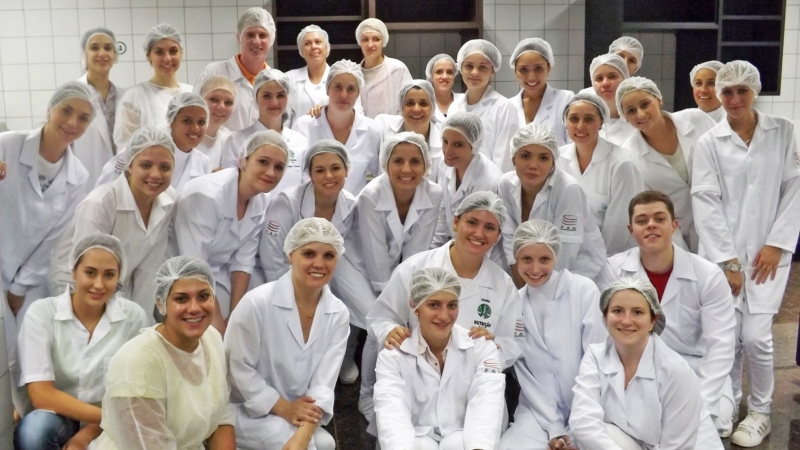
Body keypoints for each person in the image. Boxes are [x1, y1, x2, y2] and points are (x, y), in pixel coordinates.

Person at [692, 60, 800, 447]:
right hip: (724, 258)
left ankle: (760, 412)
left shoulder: (783, 131)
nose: (734, 98)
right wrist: (728, 260)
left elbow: (795, 188)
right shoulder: (709, 142)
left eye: (742, 90)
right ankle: (728, 404)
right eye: (727, 91)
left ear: (755, 90)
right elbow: (705, 200)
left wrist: (777, 244)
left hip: (768, 256)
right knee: (726, 336)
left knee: (756, 338)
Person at [366, 191, 522, 423]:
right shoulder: (416, 268)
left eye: (490, 227)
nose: (479, 233)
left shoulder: (503, 284)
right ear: (455, 222)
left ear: (498, 236)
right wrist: (389, 331)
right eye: (472, 222)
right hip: (418, 388)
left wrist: (493, 345)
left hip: (474, 393)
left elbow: (513, 341)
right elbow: (381, 317)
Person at [598, 190, 737, 438]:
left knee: (708, 426)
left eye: (659, 219)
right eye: (642, 220)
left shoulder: (707, 275)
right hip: (635, 369)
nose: (651, 225)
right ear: (631, 230)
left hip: (695, 370)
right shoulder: (613, 271)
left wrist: (700, 404)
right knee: (630, 429)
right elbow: (605, 336)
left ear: (674, 226)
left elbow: (721, 346)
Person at [15, 234, 148, 450]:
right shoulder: (41, 314)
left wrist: (85, 436)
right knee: (34, 431)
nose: (99, 284)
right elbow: (41, 395)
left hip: (115, 421)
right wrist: (106, 417)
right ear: (73, 271)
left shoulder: (133, 318)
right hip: (60, 416)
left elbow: (133, 396)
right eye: (90, 272)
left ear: (119, 277)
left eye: (109, 275)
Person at [225, 218, 349, 450]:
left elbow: (324, 383)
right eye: (309, 253)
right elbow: (237, 369)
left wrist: (305, 432)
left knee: (324, 443)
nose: (319, 264)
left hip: (297, 412)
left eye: (329, 255)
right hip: (245, 411)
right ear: (290, 255)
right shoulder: (257, 303)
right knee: (297, 441)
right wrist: (284, 407)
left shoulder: (338, 313)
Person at [330, 132, 442, 385]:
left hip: (389, 261)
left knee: (387, 315)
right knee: (375, 317)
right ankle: (349, 358)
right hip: (352, 262)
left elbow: (416, 251)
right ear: (385, 164)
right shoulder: (371, 195)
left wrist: (408, 294)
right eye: (398, 161)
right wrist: (393, 301)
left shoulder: (433, 193)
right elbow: (374, 253)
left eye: (415, 161)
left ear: (426, 164)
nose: (406, 169)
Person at [92, 256, 235, 449]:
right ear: (162, 303)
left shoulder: (211, 338)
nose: (194, 308)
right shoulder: (138, 361)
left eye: (203, 296)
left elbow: (222, 415)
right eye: (181, 298)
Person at [569, 277, 724, 449]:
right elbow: (583, 419)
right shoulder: (595, 356)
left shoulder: (676, 371)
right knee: (592, 435)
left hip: (687, 446)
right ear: (605, 317)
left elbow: (677, 446)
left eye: (637, 312)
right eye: (618, 311)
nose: (626, 321)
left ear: (653, 320)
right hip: (636, 442)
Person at [0, 81, 94, 352]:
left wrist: (19, 288)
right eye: (66, 110)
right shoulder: (7, 145)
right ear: (50, 109)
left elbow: (53, 239)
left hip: (28, 275)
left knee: (28, 347)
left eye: (83, 118)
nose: (72, 122)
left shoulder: (78, 176)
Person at [49, 128, 178, 322]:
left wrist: (140, 324)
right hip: (76, 285)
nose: (155, 174)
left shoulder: (167, 200)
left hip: (116, 285)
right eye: (145, 165)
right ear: (130, 165)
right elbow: (90, 268)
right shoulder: (101, 203)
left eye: (165, 167)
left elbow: (149, 270)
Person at [499, 220, 607, 450]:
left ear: (555, 257)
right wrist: (554, 425)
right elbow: (525, 374)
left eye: (544, 259)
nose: (535, 269)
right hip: (538, 410)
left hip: (590, 406)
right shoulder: (514, 304)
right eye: (527, 259)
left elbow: (597, 360)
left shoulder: (583, 290)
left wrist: (577, 425)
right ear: (516, 259)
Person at [374, 267, 506, 450]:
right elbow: (391, 410)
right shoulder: (393, 356)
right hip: (413, 438)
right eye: (434, 305)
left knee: (457, 443)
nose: (444, 316)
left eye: (451, 305)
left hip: (465, 436)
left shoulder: (481, 347)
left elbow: (487, 401)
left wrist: (479, 447)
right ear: (415, 306)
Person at [173, 130, 287, 331]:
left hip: (217, 277)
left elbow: (243, 261)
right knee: (212, 334)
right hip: (181, 275)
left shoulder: (261, 199)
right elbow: (195, 263)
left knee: (248, 324)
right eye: (263, 162)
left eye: (279, 167)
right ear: (243, 161)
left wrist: (235, 316)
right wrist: (217, 321)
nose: (271, 172)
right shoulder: (206, 196)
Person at [498, 123, 606, 287]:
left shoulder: (568, 189)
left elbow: (565, 254)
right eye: (525, 156)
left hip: (578, 273)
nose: (533, 165)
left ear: (553, 163)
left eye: (543, 158)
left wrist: (535, 289)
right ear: (513, 159)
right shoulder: (506, 184)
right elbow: (509, 237)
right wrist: (522, 286)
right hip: (530, 273)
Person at [616, 76, 715, 252]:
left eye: (645, 104)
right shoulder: (629, 154)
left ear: (659, 99)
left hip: (721, 220)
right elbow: (651, 207)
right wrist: (681, 256)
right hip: (678, 235)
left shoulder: (696, 119)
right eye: (631, 111)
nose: (640, 114)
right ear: (624, 117)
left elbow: (725, 161)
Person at [259, 140, 356, 282]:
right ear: (310, 174)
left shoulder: (350, 204)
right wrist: (287, 289)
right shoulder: (287, 202)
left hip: (319, 273)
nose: (329, 176)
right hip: (276, 274)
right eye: (320, 170)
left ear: (346, 170)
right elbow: (271, 255)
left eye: (335, 168)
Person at [559, 93, 643, 255]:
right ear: (565, 123)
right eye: (574, 119)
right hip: (568, 250)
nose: (580, 126)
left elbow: (619, 224)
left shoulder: (621, 164)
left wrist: (598, 259)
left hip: (613, 254)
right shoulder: (557, 159)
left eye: (589, 119)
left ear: (601, 122)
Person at [292, 59, 381, 195]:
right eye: (338, 87)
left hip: (355, 207)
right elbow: (294, 175)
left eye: (351, 89)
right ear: (327, 89)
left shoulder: (371, 130)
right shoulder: (304, 126)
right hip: (312, 205)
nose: (344, 95)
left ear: (358, 93)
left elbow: (381, 175)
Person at [97, 92, 212, 191]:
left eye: (201, 122)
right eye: (187, 121)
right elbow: (106, 188)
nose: (196, 128)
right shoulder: (142, 148)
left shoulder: (203, 163)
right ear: (172, 121)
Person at [221, 68, 308, 194]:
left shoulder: (300, 142)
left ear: (288, 98)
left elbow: (305, 188)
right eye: (267, 96)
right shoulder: (236, 141)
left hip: (290, 207)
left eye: (280, 95)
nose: (274, 102)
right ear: (256, 98)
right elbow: (230, 188)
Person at [193, 7, 275, 132]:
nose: (256, 41)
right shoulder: (213, 72)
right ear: (239, 38)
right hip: (218, 145)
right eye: (250, 35)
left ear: (271, 40)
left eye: (262, 35)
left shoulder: (275, 81)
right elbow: (194, 112)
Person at [431, 111, 503, 249]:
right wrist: (434, 251)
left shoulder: (488, 181)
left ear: (473, 146)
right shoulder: (445, 165)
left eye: (458, 145)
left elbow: (480, 232)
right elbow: (441, 213)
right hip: (455, 245)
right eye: (445, 141)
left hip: (480, 249)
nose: (447, 151)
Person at [113, 24, 191, 149]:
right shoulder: (134, 97)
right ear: (148, 55)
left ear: (181, 53)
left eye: (173, 51)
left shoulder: (192, 93)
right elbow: (125, 149)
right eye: (159, 52)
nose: (167, 58)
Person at [450, 39, 520, 172]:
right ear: (460, 68)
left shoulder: (504, 108)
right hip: (458, 180)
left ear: (492, 70)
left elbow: (504, 161)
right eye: (469, 66)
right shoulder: (454, 107)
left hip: (490, 182)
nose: (475, 72)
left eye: (482, 67)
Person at [72, 27, 123, 187]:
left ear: (115, 55)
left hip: (122, 183)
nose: (102, 53)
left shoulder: (126, 97)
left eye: (108, 48)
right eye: (94, 48)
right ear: (84, 54)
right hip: (85, 184)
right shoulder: (71, 95)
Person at [508, 38, 574, 147]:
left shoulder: (565, 100)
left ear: (548, 68)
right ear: (515, 72)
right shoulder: (508, 106)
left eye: (538, 68)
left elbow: (574, 145)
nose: (531, 77)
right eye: (523, 69)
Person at [374, 79, 444, 179]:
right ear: (401, 107)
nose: (416, 109)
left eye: (423, 103)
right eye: (410, 103)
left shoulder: (443, 141)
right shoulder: (383, 127)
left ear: (432, 107)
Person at [355, 18, 413, 118]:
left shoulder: (397, 69)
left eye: (376, 39)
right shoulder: (354, 73)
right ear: (359, 42)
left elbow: (410, 103)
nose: (370, 44)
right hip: (361, 128)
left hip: (393, 127)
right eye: (365, 39)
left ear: (383, 42)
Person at [587, 54, 637, 146]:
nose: (605, 83)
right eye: (599, 78)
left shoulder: (639, 120)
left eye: (612, 76)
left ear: (625, 79)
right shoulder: (584, 120)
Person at [196, 76, 236, 169]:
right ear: (200, 100)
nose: (221, 107)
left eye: (228, 102)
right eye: (214, 99)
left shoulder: (228, 138)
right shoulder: (184, 136)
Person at [425, 54, 464, 124]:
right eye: (439, 72)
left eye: (449, 72)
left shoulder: (465, 100)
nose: (445, 76)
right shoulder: (423, 103)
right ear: (431, 76)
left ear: (454, 75)